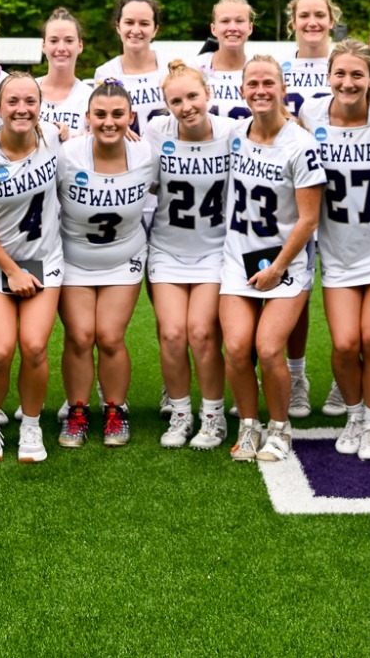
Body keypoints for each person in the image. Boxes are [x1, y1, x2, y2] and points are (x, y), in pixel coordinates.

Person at [304, 40, 370, 460]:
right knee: (346, 343)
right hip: (336, 250)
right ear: (328, 76)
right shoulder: (311, 115)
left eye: (356, 75)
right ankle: (354, 413)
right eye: (340, 74)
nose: (347, 83)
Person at [219, 57, 325, 463]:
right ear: (242, 89)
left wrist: (277, 268)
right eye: (253, 84)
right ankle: (248, 424)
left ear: (283, 89)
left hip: (285, 260)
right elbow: (186, 121)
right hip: (238, 254)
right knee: (236, 346)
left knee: (266, 348)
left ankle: (280, 427)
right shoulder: (233, 133)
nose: (260, 90)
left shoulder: (301, 144)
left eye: (268, 83)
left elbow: (309, 218)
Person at [0, 73, 63, 463]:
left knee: (35, 347)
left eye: (30, 101)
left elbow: (96, 133)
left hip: (45, 258)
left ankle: (32, 425)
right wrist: (12, 271)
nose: (22, 109)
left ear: (41, 106)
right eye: (13, 102)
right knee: (0, 351)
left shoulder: (52, 137)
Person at [56, 82, 159, 448]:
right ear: (87, 118)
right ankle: (78, 409)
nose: (109, 121)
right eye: (100, 114)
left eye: (118, 114)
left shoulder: (146, 153)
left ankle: (116, 408)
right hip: (73, 259)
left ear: (132, 117)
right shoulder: (68, 154)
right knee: (81, 336)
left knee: (111, 337)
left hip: (123, 258)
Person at [146, 61, 237, 450]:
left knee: (202, 334)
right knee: (171, 333)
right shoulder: (156, 132)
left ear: (208, 94)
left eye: (192, 96)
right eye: (176, 101)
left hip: (215, 250)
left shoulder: (233, 132)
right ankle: (181, 412)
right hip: (167, 248)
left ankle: (213, 415)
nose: (186, 106)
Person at [277, 0, 342, 417]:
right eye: (305, 15)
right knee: (296, 290)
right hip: (290, 192)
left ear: (332, 20)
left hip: (345, 197)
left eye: (320, 14)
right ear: (293, 22)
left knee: (347, 291)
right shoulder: (279, 67)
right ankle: (296, 375)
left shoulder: (347, 59)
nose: (312, 22)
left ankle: (345, 379)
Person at [94, 0, 168, 127]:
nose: (135, 30)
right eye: (129, 22)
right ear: (118, 27)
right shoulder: (105, 73)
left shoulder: (171, 66)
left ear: (155, 30)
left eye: (144, 24)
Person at [195, 0, 256, 120]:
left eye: (239, 21)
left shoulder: (259, 70)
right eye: (225, 21)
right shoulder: (194, 68)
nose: (232, 28)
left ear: (250, 28)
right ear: (213, 29)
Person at [36, 8, 94, 137]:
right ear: (44, 46)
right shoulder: (27, 90)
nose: (61, 48)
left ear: (80, 46)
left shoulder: (90, 98)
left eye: (69, 41)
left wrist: (72, 136)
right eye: (54, 41)